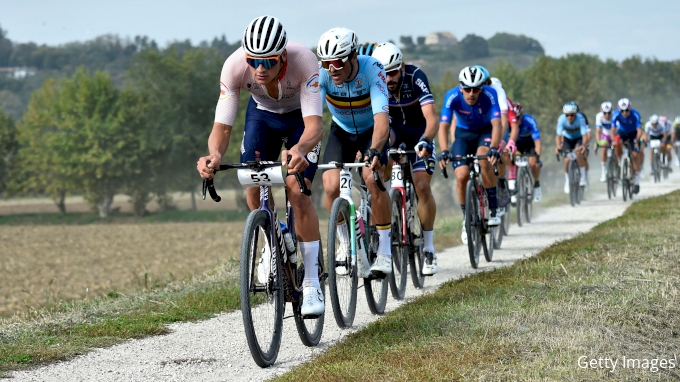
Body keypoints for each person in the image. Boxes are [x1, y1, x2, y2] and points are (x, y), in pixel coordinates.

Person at [196, 16, 325, 317]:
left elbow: (315, 126)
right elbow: (223, 126)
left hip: (300, 122)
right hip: (262, 116)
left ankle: (310, 283)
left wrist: (300, 149)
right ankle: (273, 238)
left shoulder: (304, 61)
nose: (260, 69)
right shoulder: (234, 66)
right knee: (252, 183)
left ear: (282, 56)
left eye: (268, 61)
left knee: (296, 190)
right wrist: (213, 155)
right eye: (254, 60)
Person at [316, 27, 393, 276]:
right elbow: (313, 118)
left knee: (372, 178)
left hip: (371, 131)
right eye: (326, 63)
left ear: (352, 57)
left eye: (338, 62)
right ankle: (344, 241)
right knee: (329, 185)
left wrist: (374, 150)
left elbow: (382, 119)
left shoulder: (372, 68)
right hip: (341, 132)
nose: (332, 69)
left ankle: (384, 250)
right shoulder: (324, 74)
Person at [372, 42, 439, 275]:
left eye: (392, 72)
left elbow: (431, 117)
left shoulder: (415, 76)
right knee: (382, 158)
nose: (387, 79)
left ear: (401, 66)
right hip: (395, 132)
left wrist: (427, 139)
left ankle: (429, 248)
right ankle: (386, 203)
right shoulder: (377, 82)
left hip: (419, 134)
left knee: (422, 185)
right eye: (383, 74)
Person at [437, 66, 502, 245]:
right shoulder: (452, 96)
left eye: (476, 89)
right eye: (467, 89)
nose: (471, 94)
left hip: (485, 132)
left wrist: (495, 147)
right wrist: (444, 151)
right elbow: (443, 126)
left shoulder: (490, 94)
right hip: (463, 135)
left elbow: (497, 124)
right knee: (462, 175)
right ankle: (466, 218)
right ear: (460, 87)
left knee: (484, 159)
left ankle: (494, 208)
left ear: (482, 88)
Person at [505, 102, 543, 201]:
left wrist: (537, 156)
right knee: (510, 156)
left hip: (530, 143)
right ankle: (513, 183)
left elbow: (537, 142)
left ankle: (537, 184)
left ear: (522, 115)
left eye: (518, 118)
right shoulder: (508, 123)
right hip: (517, 144)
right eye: (514, 118)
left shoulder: (529, 120)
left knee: (533, 163)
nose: (516, 121)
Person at [555, 102, 589, 194]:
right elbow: (558, 135)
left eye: (572, 115)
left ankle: (583, 177)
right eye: (567, 115)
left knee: (578, 153)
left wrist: (583, 145)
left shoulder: (580, 119)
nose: (569, 117)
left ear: (575, 114)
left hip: (578, 138)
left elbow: (584, 135)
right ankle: (567, 180)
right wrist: (558, 145)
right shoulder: (561, 119)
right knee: (566, 160)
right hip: (567, 139)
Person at [611, 98, 642, 194]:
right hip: (622, 132)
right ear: (619, 110)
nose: (625, 113)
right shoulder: (615, 114)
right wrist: (613, 140)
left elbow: (640, 130)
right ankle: (620, 162)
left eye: (627, 110)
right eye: (622, 111)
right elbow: (612, 130)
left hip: (634, 134)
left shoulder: (635, 114)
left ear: (630, 109)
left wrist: (637, 139)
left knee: (635, 156)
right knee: (617, 143)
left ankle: (637, 181)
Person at [595, 102, 614, 182]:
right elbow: (598, 131)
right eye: (605, 113)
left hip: (614, 134)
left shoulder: (615, 115)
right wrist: (598, 142)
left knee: (617, 150)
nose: (607, 115)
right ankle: (603, 171)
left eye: (609, 113)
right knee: (604, 148)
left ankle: (619, 167)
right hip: (605, 135)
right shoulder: (599, 116)